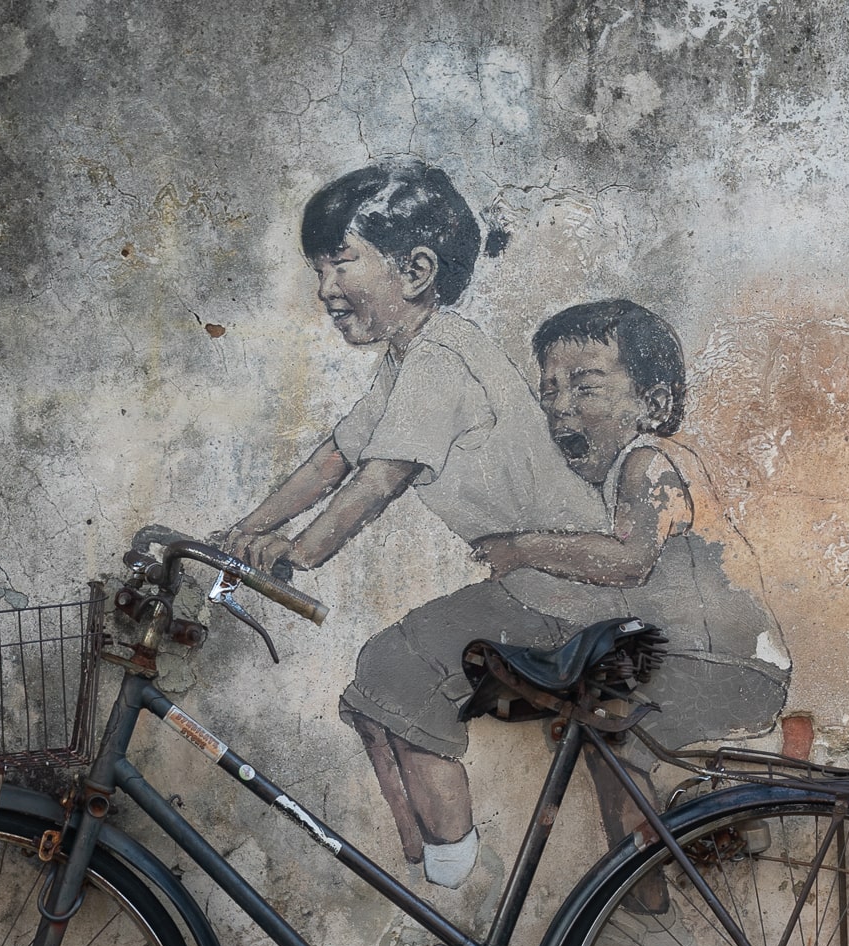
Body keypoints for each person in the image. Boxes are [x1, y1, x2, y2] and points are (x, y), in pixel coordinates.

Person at [225, 159, 603, 887]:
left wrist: (297, 552)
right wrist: (239, 531)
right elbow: (333, 458)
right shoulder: (408, 359)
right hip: (532, 585)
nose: (325, 288)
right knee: (376, 689)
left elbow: (378, 480)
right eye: (318, 269)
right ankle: (423, 870)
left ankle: (458, 879)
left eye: (340, 262)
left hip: (562, 585)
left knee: (399, 675)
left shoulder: (443, 358)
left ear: (417, 270)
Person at [473, 299, 792, 849]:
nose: (560, 407)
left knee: (609, 729)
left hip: (726, 663)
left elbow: (629, 560)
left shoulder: (648, 461)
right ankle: (692, 838)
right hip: (714, 661)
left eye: (585, 388)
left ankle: (647, 870)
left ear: (653, 404)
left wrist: (521, 549)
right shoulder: (629, 471)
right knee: (603, 735)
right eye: (549, 390)